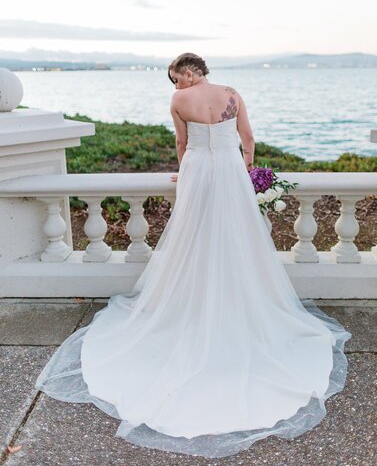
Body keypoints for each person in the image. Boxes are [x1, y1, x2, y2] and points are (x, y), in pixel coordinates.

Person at [35, 52, 351, 459]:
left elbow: (183, 144)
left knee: (196, 236)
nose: (177, 86)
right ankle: (233, 300)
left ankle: (197, 300)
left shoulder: (179, 102)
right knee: (236, 239)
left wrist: (184, 173)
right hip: (232, 175)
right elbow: (248, 140)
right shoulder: (231, 94)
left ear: (188, 71)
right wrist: (244, 171)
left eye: (176, 78)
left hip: (200, 172)